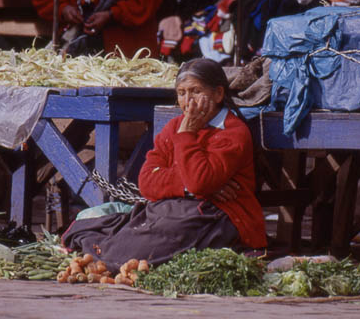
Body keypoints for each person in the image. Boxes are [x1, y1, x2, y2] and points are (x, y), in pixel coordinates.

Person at [62, 58, 267, 273]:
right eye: (181, 93)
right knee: (130, 230)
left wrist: (188, 139)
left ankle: (113, 258)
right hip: (175, 206)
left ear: (218, 94)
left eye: (196, 91)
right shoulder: (174, 127)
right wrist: (193, 186)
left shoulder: (232, 132)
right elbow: (148, 182)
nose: (188, 101)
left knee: (149, 244)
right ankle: (110, 253)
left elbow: (199, 181)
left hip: (220, 215)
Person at [32, 0, 162, 57]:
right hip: (76, 44)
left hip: (126, 47)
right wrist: (63, 8)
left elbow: (145, 4)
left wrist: (112, 14)